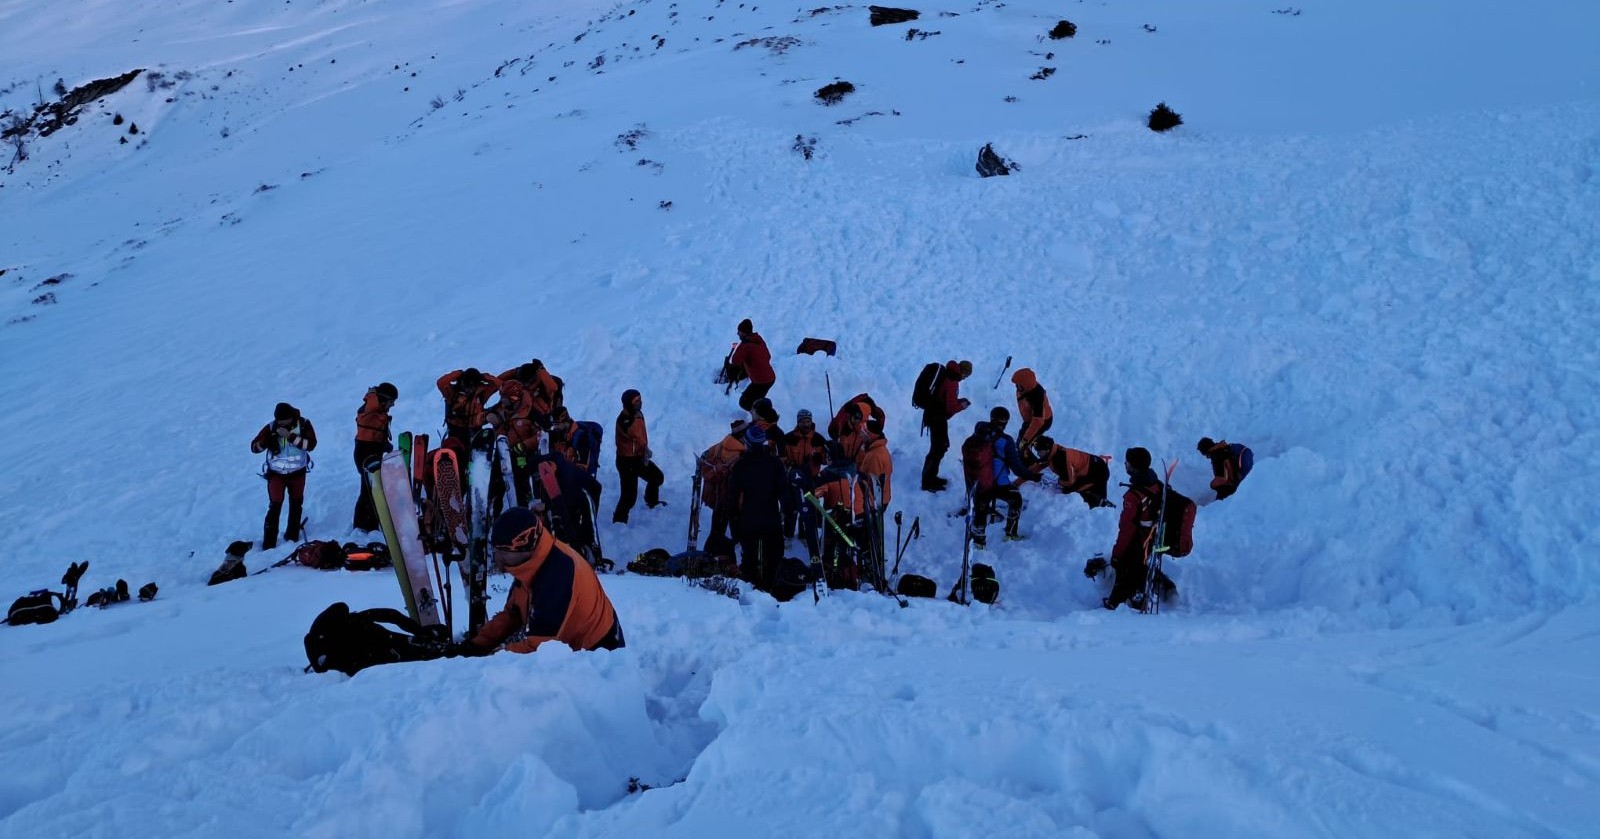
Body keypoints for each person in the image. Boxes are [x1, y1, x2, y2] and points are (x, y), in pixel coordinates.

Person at [453, 507, 623, 656]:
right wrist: (478, 644)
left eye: (503, 553)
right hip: (569, 644)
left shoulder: (556, 577)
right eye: (495, 551)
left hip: (600, 657)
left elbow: (538, 649)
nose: (496, 559)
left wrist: (494, 656)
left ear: (525, 548)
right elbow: (513, 614)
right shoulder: (534, 562)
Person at [729, 424, 791, 592]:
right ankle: (772, 588)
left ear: (747, 443)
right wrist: (787, 510)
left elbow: (733, 494)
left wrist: (733, 517)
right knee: (774, 558)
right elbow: (784, 491)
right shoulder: (774, 463)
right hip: (771, 517)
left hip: (749, 518)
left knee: (749, 558)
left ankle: (751, 590)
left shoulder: (741, 465)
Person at [250, 403, 318, 549]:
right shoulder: (271, 427)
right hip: (276, 475)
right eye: (278, 420)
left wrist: (291, 437)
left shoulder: (304, 424)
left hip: (298, 473)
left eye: (283, 420)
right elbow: (254, 447)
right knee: (274, 506)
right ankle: (269, 543)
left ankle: (292, 536)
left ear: (291, 417)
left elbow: (311, 445)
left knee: (296, 504)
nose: (280, 423)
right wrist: (265, 443)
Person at [1105, 447, 1163, 611]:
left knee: (1123, 566)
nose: (1125, 464)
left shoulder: (1134, 496)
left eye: (1128, 462)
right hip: (1152, 536)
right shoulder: (1156, 484)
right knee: (1140, 567)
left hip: (1138, 539)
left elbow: (1126, 528)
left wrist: (1117, 553)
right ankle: (1137, 594)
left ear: (1134, 466)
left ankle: (1115, 603)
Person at [530, 450, 604, 565]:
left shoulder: (566, 479)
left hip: (586, 495)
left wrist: (575, 543)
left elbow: (564, 513)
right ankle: (570, 549)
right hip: (568, 494)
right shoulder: (546, 469)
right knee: (562, 523)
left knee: (585, 527)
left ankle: (590, 553)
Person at [977, 406, 1035, 545]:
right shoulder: (1006, 441)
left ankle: (978, 541)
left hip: (980, 484)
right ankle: (1010, 533)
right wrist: (1032, 475)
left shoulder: (978, 432)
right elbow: (1017, 468)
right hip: (1000, 484)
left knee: (981, 507)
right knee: (1016, 499)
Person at [918, 360, 972, 492]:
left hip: (933, 414)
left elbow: (945, 399)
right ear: (964, 372)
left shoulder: (948, 374)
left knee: (939, 446)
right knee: (938, 448)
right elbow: (950, 407)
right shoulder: (952, 381)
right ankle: (928, 481)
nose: (965, 379)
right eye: (966, 376)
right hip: (937, 417)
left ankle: (931, 477)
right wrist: (962, 406)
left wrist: (958, 401)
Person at [612, 389, 664, 523]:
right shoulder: (626, 421)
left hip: (637, 458)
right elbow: (635, 435)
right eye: (636, 401)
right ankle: (619, 520)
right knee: (628, 497)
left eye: (640, 400)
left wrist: (643, 451)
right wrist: (644, 449)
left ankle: (651, 501)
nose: (640, 403)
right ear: (628, 404)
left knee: (657, 477)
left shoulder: (636, 414)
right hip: (627, 462)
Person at [698, 418, 750, 553]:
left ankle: (716, 548)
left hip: (719, 496)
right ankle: (712, 553)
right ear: (742, 434)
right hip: (727, 496)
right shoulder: (737, 452)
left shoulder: (724, 444)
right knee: (722, 527)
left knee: (719, 526)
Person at [353, 382, 398, 533]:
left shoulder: (376, 410)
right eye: (391, 402)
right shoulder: (369, 409)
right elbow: (372, 406)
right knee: (369, 490)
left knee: (373, 488)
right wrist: (373, 394)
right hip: (365, 453)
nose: (393, 405)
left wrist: (384, 444)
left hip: (373, 451)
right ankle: (362, 526)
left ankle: (370, 523)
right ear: (384, 400)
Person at [780, 409, 828, 544]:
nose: (806, 424)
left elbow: (827, 460)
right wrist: (791, 464)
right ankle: (788, 534)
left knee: (808, 508)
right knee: (791, 507)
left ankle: (804, 534)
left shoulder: (819, 439)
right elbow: (782, 458)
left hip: (811, 479)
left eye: (808, 421)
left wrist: (820, 458)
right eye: (803, 422)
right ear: (798, 422)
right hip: (793, 480)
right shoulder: (789, 438)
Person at [1027, 435, 1113, 508]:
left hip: (1099, 472)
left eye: (1039, 451)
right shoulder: (1054, 450)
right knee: (1072, 487)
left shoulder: (1060, 459)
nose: (1038, 454)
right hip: (1096, 465)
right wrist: (1021, 477)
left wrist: (1058, 481)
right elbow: (1036, 467)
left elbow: (1070, 482)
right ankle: (1101, 504)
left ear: (1047, 449)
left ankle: (1101, 506)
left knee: (1071, 489)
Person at [436, 368, 500, 445]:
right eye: (466, 385)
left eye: (471, 386)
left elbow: (499, 384)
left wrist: (483, 376)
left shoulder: (481, 394)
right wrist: (459, 374)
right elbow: (440, 382)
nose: (468, 389)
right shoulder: (452, 393)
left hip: (475, 430)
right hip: (455, 432)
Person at [727, 319, 776, 411]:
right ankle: (762, 417)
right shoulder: (758, 338)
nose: (738, 334)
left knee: (745, 402)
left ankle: (761, 419)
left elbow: (735, 361)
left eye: (739, 332)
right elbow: (768, 356)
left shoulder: (745, 345)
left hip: (761, 381)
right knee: (756, 401)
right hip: (770, 378)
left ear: (744, 333)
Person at [1010, 367, 1054, 450]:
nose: (1016, 386)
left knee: (1024, 444)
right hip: (1030, 420)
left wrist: (1025, 440)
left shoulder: (1037, 398)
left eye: (1018, 385)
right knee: (1022, 437)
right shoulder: (1027, 388)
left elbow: (1038, 422)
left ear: (1025, 385)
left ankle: (1024, 454)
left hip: (1042, 422)